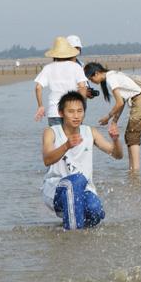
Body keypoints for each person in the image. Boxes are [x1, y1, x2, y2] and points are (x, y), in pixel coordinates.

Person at [41, 91, 123, 230]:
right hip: (57, 189)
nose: (76, 115)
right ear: (61, 113)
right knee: (76, 180)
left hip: (84, 189)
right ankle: (73, 238)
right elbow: (47, 159)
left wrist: (115, 141)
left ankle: (75, 227)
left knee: (95, 210)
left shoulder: (90, 132)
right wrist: (66, 145)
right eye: (71, 111)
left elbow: (117, 155)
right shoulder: (51, 132)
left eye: (80, 111)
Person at [84, 62, 141, 173]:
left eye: (91, 79)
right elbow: (123, 101)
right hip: (139, 102)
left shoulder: (111, 79)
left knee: (133, 136)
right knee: (130, 137)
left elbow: (119, 103)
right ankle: (132, 169)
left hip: (140, 102)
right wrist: (114, 121)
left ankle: (135, 171)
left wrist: (108, 117)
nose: (92, 82)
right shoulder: (112, 75)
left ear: (96, 73)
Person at [34, 36, 88, 126]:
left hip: (54, 112)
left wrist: (40, 106)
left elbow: (38, 87)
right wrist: (81, 107)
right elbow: (82, 87)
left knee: (57, 139)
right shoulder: (76, 67)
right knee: (73, 139)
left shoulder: (48, 68)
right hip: (72, 111)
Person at [67, 34, 99, 100]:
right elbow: (64, 88)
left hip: (81, 102)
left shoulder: (81, 64)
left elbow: (84, 83)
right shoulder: (63, 66)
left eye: (78, 48)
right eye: (74, 48)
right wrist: (81, 92)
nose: (76, 50)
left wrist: (88, 92)